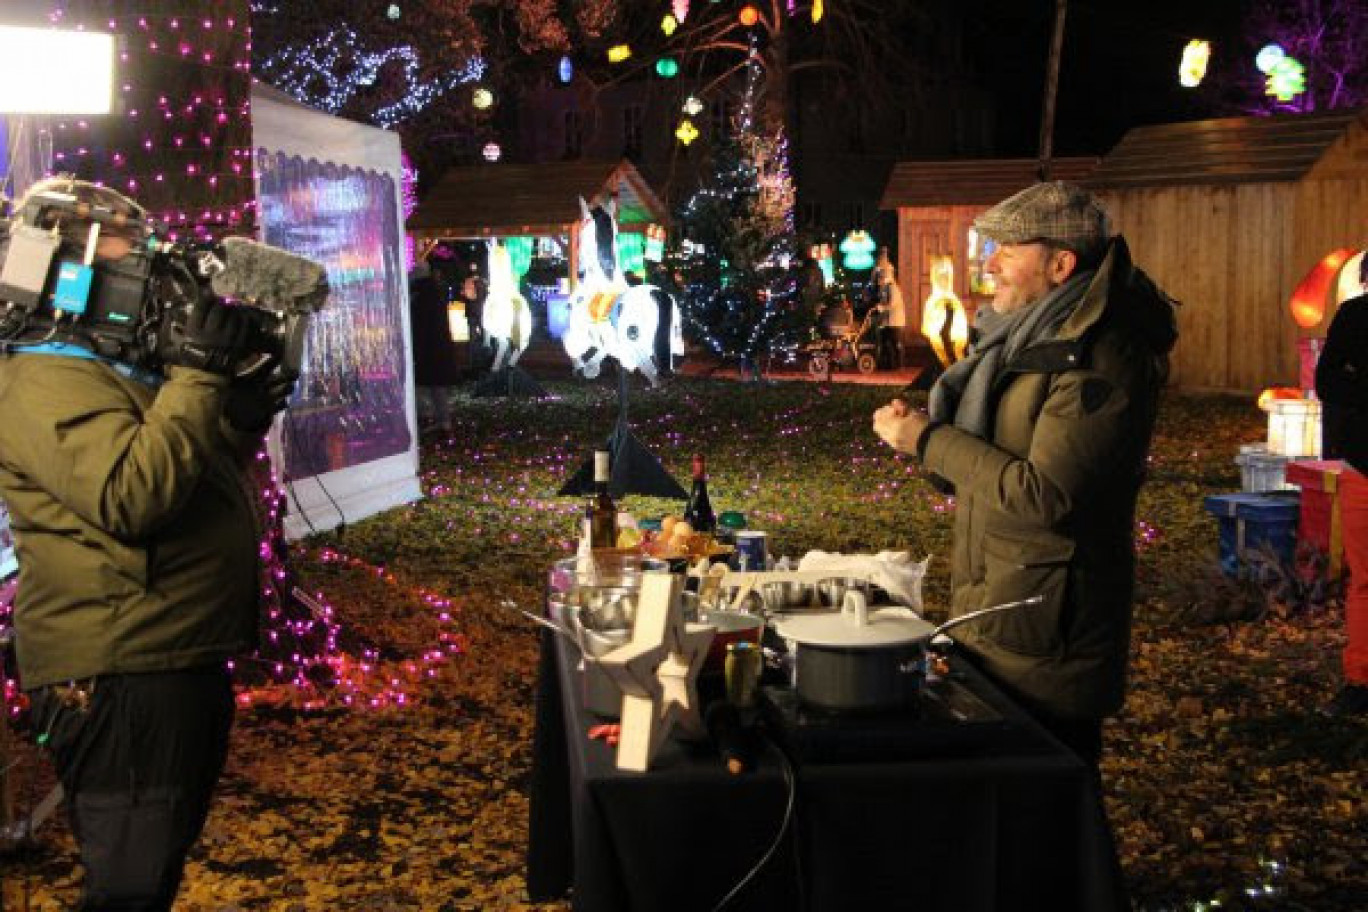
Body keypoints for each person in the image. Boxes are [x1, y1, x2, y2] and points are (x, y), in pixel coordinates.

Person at [0, 178, 295, 909]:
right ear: (72, 274)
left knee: (148, 877)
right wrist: (197, 376)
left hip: (160, 654)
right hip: (121, 669)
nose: (156, 283)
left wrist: (237, 419)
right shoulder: (41, 381)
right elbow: (130, 498)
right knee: (129, 887)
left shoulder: (99, 372)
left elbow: (180, 474)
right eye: (136, 264)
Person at [872, 181, 1178, 768]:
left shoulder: (1101, 354)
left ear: (1060, 264)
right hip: (1003, 616)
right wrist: (927, 437)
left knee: (1050, 820)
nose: (991, 264)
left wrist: (930, 439)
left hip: (1048, 638)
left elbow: (1049, 494)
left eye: (1009, 250)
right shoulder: (1027, 336)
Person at [1315, 253, 1368, 717]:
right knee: (1364, 580)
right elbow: (1327, 380)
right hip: (1364, 466)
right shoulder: (1355, 317)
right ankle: (1362, 677)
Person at [407, 259, 461, 431]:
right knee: (437, 386)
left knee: (427, 384)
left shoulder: (419, 294)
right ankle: (442, 419)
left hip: (426, 346)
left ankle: (429, 415)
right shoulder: (436, 292)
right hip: (439, 345)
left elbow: (419, 323)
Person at [872, 247, 907, 370]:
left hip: (895, 321)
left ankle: (899, 365)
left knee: (896, 343)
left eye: (880, 278)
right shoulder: (884, 289)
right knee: (887, 343)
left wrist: (881, 307)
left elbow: (892, 303)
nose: (878, 280)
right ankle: (890, 365)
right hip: (888, 321)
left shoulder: (892, 288)